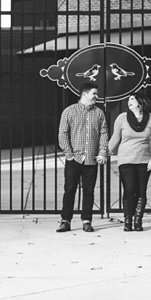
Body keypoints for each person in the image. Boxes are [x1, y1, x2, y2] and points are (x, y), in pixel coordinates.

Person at [57, 82, 109, 233]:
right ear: (84, 94)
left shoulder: (99, 113)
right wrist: (69, 154)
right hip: (74, 158)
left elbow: (104, 134)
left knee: (89, 191)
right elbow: (63, 133)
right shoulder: (69, 111)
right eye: (94, 93)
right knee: (69, 189)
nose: (96, 97)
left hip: (91, 158)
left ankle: (87, 220)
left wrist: (102, 152)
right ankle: (65, 221)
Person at [108, 93, 151, 231]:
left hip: (144, 160)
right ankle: (127, 220)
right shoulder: (122, 118)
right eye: (128, 100)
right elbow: (115, 138)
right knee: (129, 189)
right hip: (126, 159)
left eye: (132, 99)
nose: (129, 101)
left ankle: (138, 221)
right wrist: (104, 153)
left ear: (140, 102)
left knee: (141, 190)